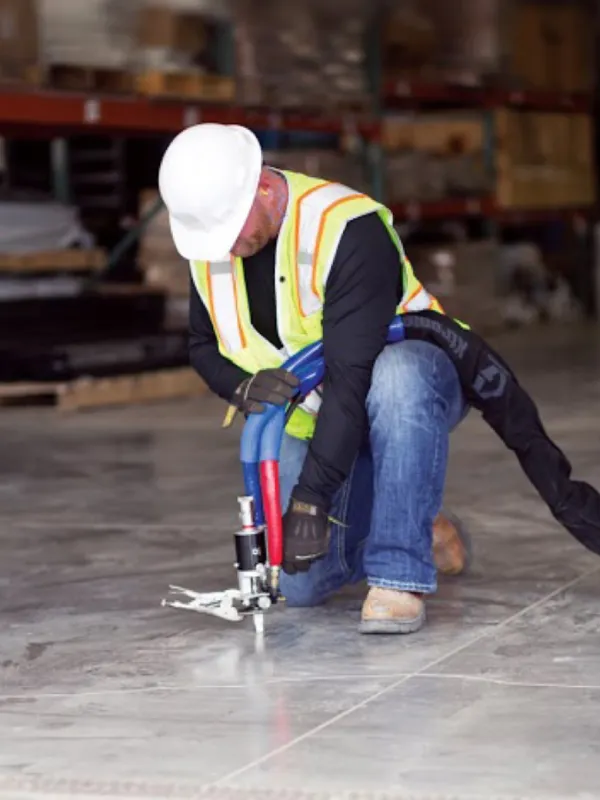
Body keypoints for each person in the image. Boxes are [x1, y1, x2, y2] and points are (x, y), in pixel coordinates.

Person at [158, 122, 470, 635]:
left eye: (232, 228)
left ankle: (399, 575)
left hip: (414, 381)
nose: (226, 247)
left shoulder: (345, 227)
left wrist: (311, 498)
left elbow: (353, 378)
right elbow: (200, 345)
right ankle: (414, 516)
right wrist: (239, 385)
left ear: (261, 184)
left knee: (394, 377)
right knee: (300, 585)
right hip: (313, 413)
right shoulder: (213, 243)